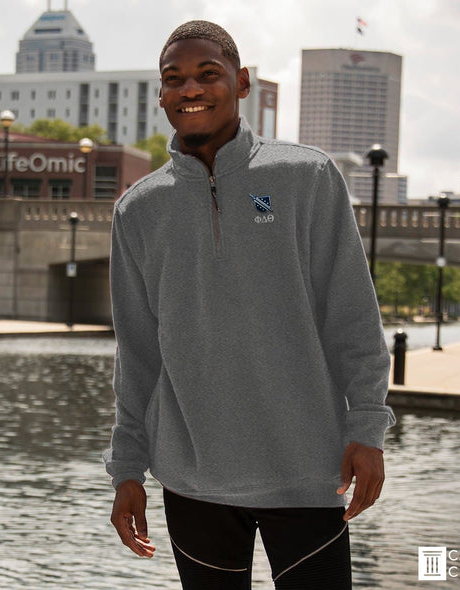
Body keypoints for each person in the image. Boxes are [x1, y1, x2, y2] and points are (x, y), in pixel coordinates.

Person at [104, 20, 395, 589]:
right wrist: (127, 469)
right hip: (192, 481)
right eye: (174, 79)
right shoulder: (137, 210)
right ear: (161, 95)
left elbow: (353, 318)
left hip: (309, 472)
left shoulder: (306, 176)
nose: (190, 88)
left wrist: (368, 428)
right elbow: (136, 355)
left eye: (207, 73)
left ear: (240, 83)